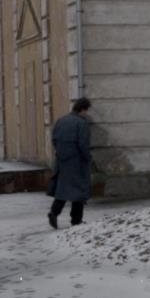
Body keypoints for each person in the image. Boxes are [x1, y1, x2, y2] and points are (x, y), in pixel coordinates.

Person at [47, 98, 92, 229]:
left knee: (63, 190)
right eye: (86, 110)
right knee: (79, 190)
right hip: (77, 161)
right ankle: (76, 219)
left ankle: (54, 212)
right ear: (82, 109)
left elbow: (54, 139)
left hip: (62, 161)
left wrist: (61, 152)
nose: (86, 113)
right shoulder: (82, 123)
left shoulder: (61, 120)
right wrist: (87, 157)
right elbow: (83, 144)